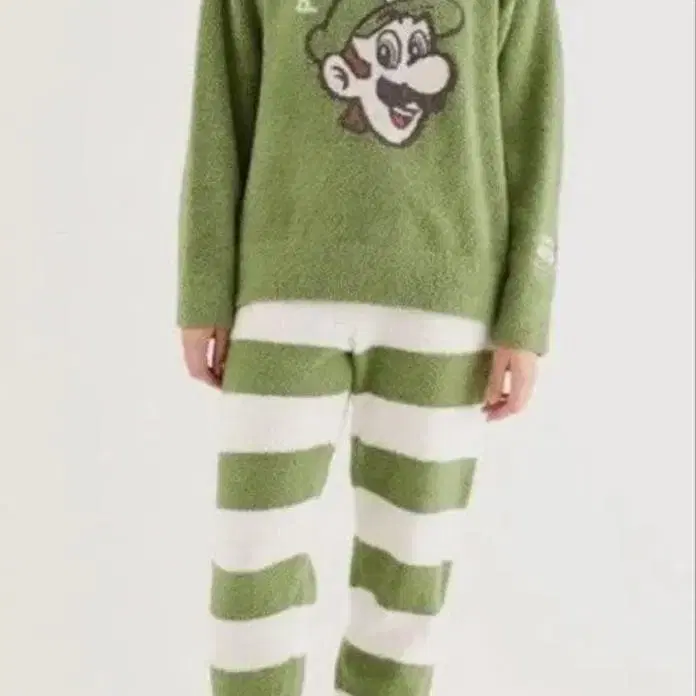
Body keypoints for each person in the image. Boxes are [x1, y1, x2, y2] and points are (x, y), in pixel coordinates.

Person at [177, 0, 563, 692]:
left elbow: (533, 123)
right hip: (282, 293)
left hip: (448, 304)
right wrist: (204, 285)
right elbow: (220, 102)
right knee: (252, 564)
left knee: (408, 583)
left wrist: (525, 310)